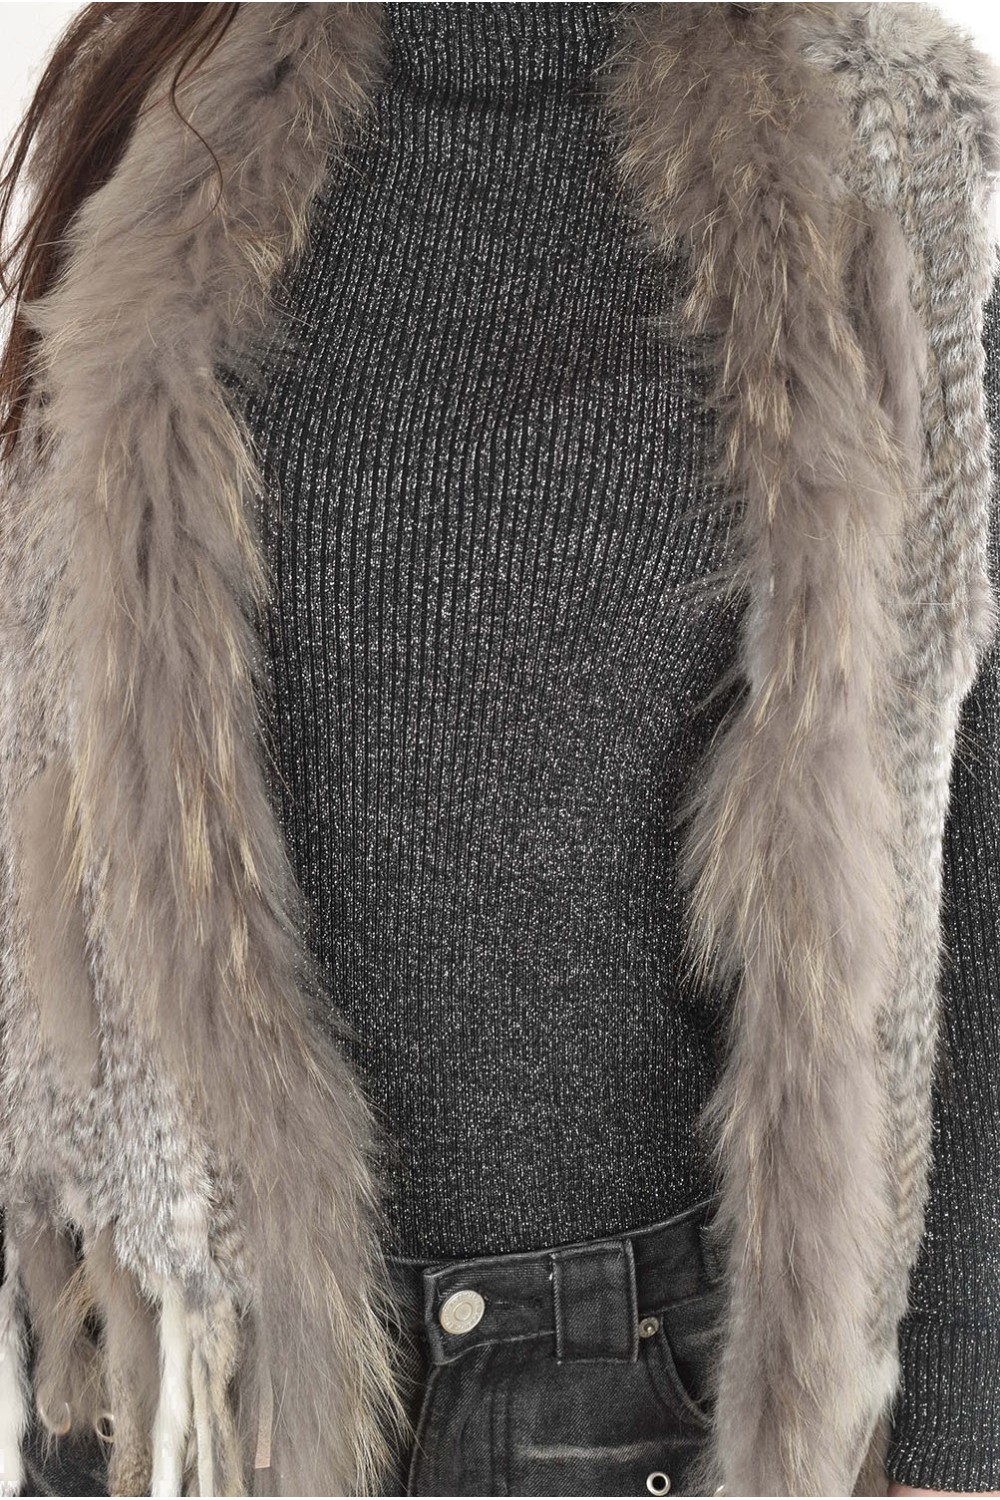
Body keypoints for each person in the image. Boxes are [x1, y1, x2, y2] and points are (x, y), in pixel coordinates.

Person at [1, 2, 999, 1496]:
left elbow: (968, 802)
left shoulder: (873, 142)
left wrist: (961, 1425)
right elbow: (44, 756)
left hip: (668, 1395)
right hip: (210, 1380)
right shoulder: (164, 97)